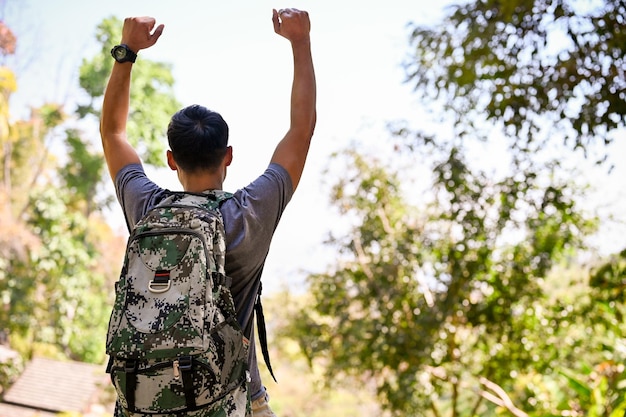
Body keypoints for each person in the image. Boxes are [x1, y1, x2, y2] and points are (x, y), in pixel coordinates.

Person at [100, 8, 316, 417]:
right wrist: (300, 42)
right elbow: (301, 131)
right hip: (225, 401)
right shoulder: (250, 213)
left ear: (170, 159)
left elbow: (112, 133)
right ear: (229, 156)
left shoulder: (146, 208)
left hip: (144, 401)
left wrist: (126, 51)